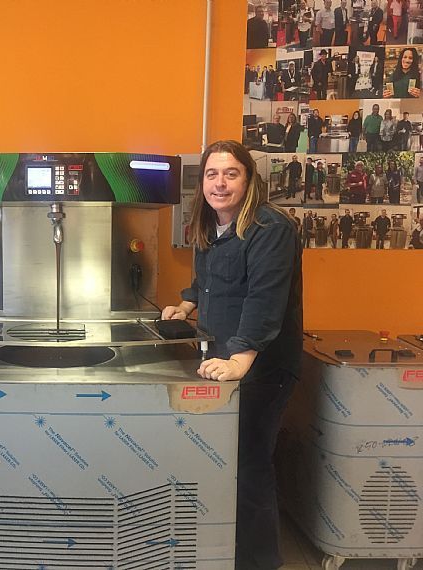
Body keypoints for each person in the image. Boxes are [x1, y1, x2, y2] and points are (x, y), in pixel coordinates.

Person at [160, 140, 302, 570]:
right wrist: (186, 304)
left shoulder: (270, 228)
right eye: (212, 174)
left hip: (262, 369)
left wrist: (241, 358)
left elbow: (264, 299)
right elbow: (206, 278)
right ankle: (224, 551)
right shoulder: (211, 224)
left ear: (249, 179)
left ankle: (260, 561)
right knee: (226, 460)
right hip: (225, 363)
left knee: (250, 463)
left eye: (231, 174)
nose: (219, 183)